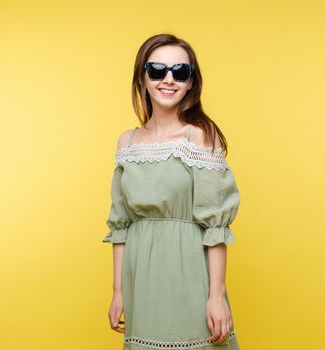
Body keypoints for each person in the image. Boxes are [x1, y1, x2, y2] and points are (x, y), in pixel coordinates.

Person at [102, 33, 241, 349]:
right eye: (157, 70)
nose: (169, 80)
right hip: (142, 282)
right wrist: (119, 291)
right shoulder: (128, 143)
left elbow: (215, 225)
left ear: (191, 82)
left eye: (180, 72)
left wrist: (216, 295)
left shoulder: (200, 137)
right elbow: (121, 225)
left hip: (190, 276)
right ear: (143, 77)